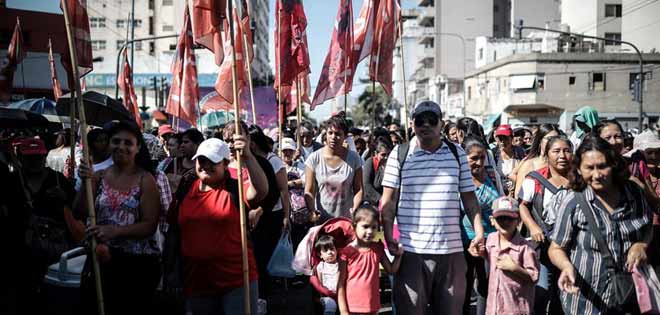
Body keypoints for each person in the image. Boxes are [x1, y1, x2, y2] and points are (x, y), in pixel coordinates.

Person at [381, 101, 486, 314]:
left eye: (431, 120)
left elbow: (469, 199)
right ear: (412, 124)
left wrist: (479, 231)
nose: (426, 125)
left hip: (452, 252)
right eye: (420, 120)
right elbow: (388, 202)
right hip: (411, 251)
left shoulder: (457, 154)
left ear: (442, 124)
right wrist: (387, 236)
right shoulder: (399, 154)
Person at [549, 136, 651, 314]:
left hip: (630, 296)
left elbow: (648, 228)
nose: (596, 175)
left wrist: (642, 244)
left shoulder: (633, 194)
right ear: (579, 169)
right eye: (589, 168)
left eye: (602, 166)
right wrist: (566, 267)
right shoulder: (573, 201)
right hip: (586, 300)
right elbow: (556, 248)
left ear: (613, 165)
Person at [174, 136, 268, 314]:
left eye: (212, 161)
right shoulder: (186, 188)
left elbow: (261, 191)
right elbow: (174, 228)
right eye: (202, 160)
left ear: (225, 164)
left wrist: (247, 155)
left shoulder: (235, 188)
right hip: (197, 282)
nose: (205, 165)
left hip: (236, 281)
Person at [77, 121, 162, 315]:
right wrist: (85, 182)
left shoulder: (145, 180)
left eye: (128, 143)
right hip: (101, 262)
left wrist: (115, 231)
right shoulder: (98, 176)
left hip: (135, 267)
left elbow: (149, 225)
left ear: (137, 147)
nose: (121, 147)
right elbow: (80, 210)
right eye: (116, 141)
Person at [14, 138, 77, 314]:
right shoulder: (13, 181)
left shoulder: (57, 180)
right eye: (30, 158)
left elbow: (77, 209)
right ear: (21, 158)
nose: (35, 162)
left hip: (54, 249)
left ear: (44, 157)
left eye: (38, 157)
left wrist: (64, 198)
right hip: (22, 251)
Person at [223, 121, 280, 307]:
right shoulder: (221, 166)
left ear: (247, 139)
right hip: (232, 233)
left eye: (235, 139)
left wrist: (259, 210)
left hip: (261, 226)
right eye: (227, 140)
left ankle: (259, 299)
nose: (231, 144)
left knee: (257, 264)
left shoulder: (261, 163)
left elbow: (272, 193)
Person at [518, 136, 573, 315]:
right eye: (556, 151)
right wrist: (533, 227)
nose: (562, 156)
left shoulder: (580, 179)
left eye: (567, 151)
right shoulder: (534, 179)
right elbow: (522, 206)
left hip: (572, 248)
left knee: (564, 294)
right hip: (542, 248)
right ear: (547, 154)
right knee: (541, 294)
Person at [469, 196, 539, 315]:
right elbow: (488, 255)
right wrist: (480, 251)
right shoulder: (491, 239)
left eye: (509, 218)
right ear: (492, 220)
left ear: (518, 221)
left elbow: (534, 277)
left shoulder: (525, 248)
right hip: (493, 308)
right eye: (500, 218)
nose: (505, 222)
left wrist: (515, 268)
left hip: (515, 309)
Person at [460, 137, 503, 315]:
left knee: (486, 283)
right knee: (466, 282)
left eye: (482, 158)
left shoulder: (492, 175)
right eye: (474, 158)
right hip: (466, 240)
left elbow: (501, 200)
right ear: (464, 159)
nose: (479, 162)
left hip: (491, 239)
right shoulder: (459, 179)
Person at [338, 205, 403, 315]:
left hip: (373, 307)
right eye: (365, 226)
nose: (369, 231)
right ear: (354, 226)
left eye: (374, 227)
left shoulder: (378, 248)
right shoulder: (347, 252)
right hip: (352, 308)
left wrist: (399, 256)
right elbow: (340, 284)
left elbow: (391, 270)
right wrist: (343, 310)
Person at [305, 114, 363, 221]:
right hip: (323, 222)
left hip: (347, 221)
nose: (333, 137)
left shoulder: (354, 158)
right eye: (330, 133)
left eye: (337, 134)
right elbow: (309, 191)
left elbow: (358, 189)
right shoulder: (314, 159)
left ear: (345, 136)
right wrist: (312, 210)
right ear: (325, 134)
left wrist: (355, 209)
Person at [512, 124, 561, 197]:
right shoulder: (529, 164)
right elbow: (518, 196)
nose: (553, 142)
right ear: (540, 141)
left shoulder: (563, 164)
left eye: (556, 139)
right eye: (549, 139)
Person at [162, 128, 204, 193]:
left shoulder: (203, 167)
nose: (182, 145)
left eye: (186, 142)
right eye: (182, 142)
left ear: (198, 144)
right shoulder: (174, 162)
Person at [492, 125, 526, 196]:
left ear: (511, 138)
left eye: (505, 138)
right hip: (499, 193)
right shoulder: (493, 153)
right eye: (500, 138)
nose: (502, 141)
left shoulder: (520, 151)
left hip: (518, 191)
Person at [313, 235, 341, 315]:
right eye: (325, 250)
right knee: (330, 305)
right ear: (320, 255)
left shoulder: (340, 264)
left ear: (336, 250)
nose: (330, 252)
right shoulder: (321, 266)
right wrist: (322, 295)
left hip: (340, 293)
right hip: (327, 295)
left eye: (332, 249)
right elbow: (320, 284)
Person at [362, 137, 392, 204]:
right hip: (373, 203)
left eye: (389, 154)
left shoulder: (393, 165)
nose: (386, 157)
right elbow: (366, 185)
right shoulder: (370, 162)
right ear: (376, 153)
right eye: (383, 155)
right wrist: (380, 199)